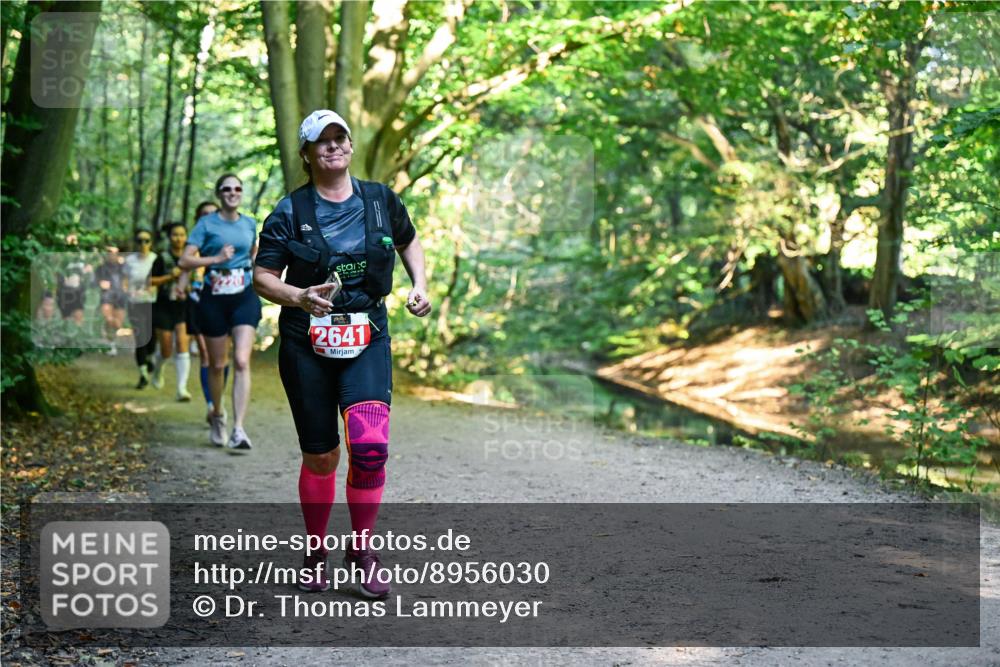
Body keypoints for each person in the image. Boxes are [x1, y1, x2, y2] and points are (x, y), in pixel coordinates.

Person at [253, 110, 431, 599]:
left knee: (370, 448)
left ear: (350, 145)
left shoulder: (380, 200)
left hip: (366, 337)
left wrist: (420, 285)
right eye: (322, 141)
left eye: (340, 138)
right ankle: (315, 552)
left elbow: (408, 241)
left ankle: (363, 549)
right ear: (307, 154)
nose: (333, 147)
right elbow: (263, 275)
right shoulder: (289, 212)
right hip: (306, 344)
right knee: (321, 456)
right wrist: (297, 296)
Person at [179, 175, 260, 449]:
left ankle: (238, 429)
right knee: (217, 364)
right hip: (213, 297)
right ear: (219, 194)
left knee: (241, 360)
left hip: (244, 295)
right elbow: (184, 259)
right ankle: (218, 415)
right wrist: (216, 259)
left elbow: (255, 255)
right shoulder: (206, 224)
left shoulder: (249, 223)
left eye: (237, 188)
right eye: (227, 189)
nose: (232, 193)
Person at [186, 201, 229, 421]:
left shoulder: (227, 241)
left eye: (213, 213)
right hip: (197, 301)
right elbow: (184, 266)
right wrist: (181, 284)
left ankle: (218, 399)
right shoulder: (194, 243)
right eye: (204, 214)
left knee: (222, 360)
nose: (209, 217)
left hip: (226, 300)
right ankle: (212, 404)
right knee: (205, 355)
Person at [150, 222, 193, 401]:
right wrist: (170, 277)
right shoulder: (162, 258)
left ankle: (181, 389)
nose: (178, 238)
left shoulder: (192, 257)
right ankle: (158, 370)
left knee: (183, 345)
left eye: (182, 235)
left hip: (183, 307)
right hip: (163, 306)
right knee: (167, 349)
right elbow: (150, 281)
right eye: (175, 235)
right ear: (170, 237)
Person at [124, 230, 158, 389]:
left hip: (152, 303)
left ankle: (149, 357)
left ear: (151, 243)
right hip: (134, 303)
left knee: (152, 336)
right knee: (140, 337)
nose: (143, 244)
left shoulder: (155, 259)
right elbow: (124, 279)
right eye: (140, 240)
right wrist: (126, 291)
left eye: (146, 240)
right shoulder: (130, 260)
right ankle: (143, 373)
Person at [95, 246, 127, 355]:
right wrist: (100, 283)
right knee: (108, 319)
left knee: (117, 324)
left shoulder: (123, 267)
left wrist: (126, 288)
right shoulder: (101, 268)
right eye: (109, 252)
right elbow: (94, 281)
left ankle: (111, 341)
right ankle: (110, 344)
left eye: (114, 252)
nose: (112, 254)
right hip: (106, 296)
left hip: (120, 297)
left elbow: (128, 280)